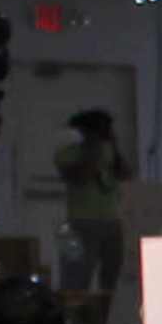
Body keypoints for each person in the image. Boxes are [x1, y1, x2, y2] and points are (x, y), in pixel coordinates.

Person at [55, 109, 130, 293]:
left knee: (113, 279)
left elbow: (125, 174)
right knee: (76, 279)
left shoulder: (109, 149)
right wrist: (92, 150)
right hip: (80, 223)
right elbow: (81, 177)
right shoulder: (68, 152)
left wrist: (114, 147)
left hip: (112, 221)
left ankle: (107, 310)